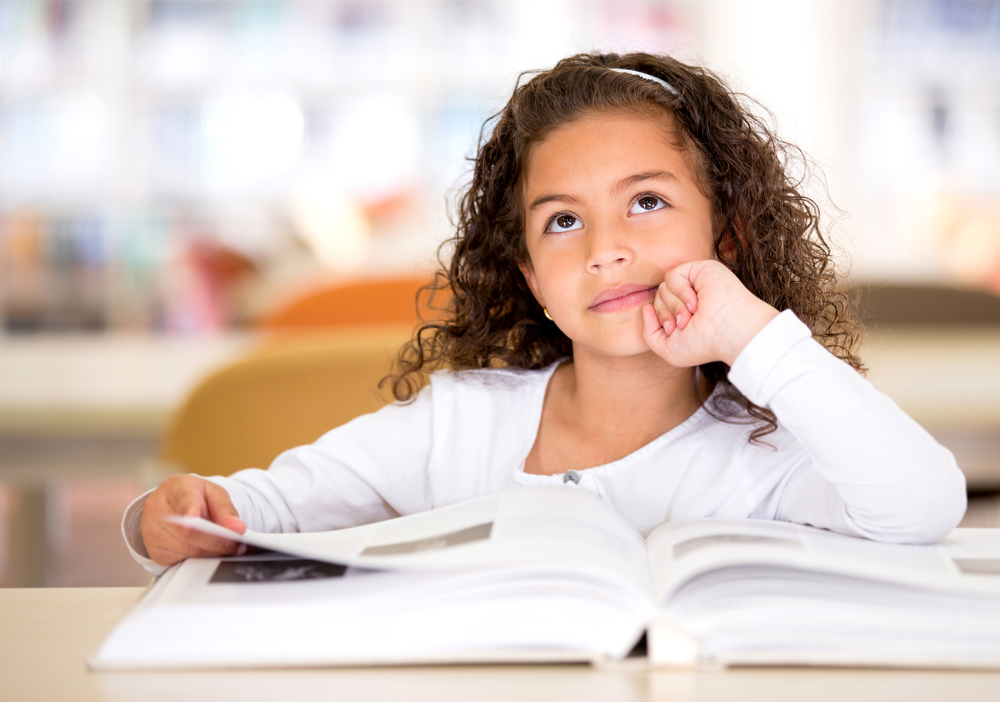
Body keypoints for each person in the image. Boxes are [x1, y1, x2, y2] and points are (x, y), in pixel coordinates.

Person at [125, 52, 966, 574]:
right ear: (530, 277)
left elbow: (921, 507)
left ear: (729, 236)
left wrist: (748, 330)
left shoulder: (766, 453)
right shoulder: (458, 426)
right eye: (563, 221)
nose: (606, 249)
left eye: (646, 202)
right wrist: (173, 515)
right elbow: (261, 506)